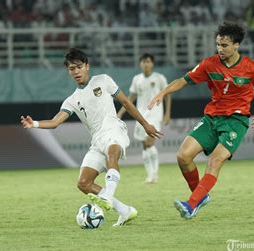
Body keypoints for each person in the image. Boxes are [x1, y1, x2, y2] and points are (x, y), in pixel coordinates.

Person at [21, 48, 162, 226]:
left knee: (112, 155)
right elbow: (56, 121)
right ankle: (125, 211)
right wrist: (34, 123)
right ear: (68, 71)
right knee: (83, 183)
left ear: (87, 66)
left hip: (114, 129)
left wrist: (145, 124)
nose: (76, 71)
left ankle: (108, 197)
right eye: (72, 69)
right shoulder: (72, 100)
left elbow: (126, 102)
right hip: (97, 141)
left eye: (79, 67)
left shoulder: (103, 80)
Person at [148, 22, 254, 219]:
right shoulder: (209, 64)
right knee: (183, 157)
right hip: (212, 118)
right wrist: (162, 92)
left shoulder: (251, 68)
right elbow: (183, 81)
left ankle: (191, 204)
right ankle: (200, 197)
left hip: (236, 121)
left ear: (236, 45)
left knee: (214, 160)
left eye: (225, 45)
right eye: (218, 44)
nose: (220, 49)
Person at [117, 53, 171, 184]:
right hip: (141, 115)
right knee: (144, 146)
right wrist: (120, 113)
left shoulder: (159, 78)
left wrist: (167, 113)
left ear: (152, 64)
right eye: (144, 62)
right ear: (140, 64)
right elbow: (131, 98)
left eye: (148, 61)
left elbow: (167, 95)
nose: (146, 64)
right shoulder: (137, 79)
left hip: (155, 115)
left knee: (149, 143)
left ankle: (154, 174)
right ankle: (150, 175)